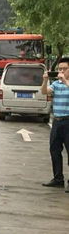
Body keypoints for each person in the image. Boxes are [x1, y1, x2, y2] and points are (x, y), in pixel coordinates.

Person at [41, 57, 69, 191]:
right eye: (60, 69)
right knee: (54, 151)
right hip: (57, 121)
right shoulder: (56, 84)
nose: (62, 71)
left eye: (65, 69)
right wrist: (45, 80)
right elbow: (44, 91)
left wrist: (66, 81)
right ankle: (58, 178)